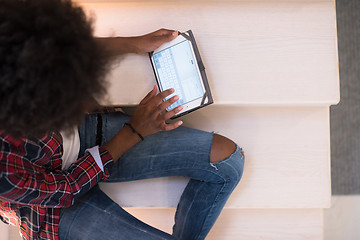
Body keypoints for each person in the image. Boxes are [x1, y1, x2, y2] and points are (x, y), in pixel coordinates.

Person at [0, 0, 245, 239]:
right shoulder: (4, 173)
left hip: (72, 136)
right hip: (49, 209)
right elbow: (67, 189)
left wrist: (131, 43)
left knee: (227, 161)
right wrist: (135, 131)